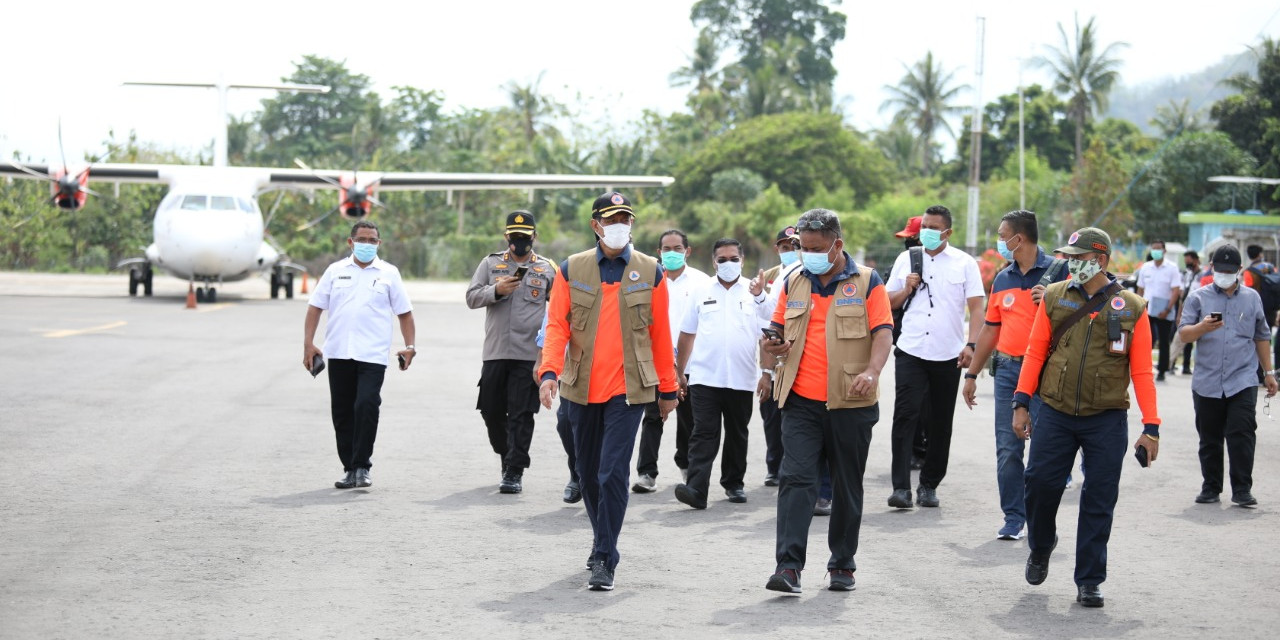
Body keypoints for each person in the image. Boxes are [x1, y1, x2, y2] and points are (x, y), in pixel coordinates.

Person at [538, 192, 679, 591]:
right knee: (587, 472)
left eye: (626, 218)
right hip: (580, 386)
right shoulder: (572, 269)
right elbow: (557, 326)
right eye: (612, 218)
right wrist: (549, 371)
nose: (620, 225)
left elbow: (659, 333)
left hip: (629, 389)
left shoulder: (651, 271)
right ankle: (603, 537)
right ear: (596, 225)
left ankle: (604, 556)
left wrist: (668, 389)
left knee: (611, 471)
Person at [1013, 227, 1160, 609]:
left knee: (1099, 499)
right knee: (1039, 484)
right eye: (1069, 257)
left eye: (1079, 258)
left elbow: (1143, 371)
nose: (1070, 263)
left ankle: (1090, 580)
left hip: (1106, 418)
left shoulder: (1132, 307)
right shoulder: (1056, 297)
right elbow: (1034, 353)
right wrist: (1021, 402)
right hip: (1057, 413)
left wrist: (1151, 427)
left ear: (1101, 261)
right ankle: (1041, 546)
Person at [761, 208, 893, 594]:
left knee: (847, 485)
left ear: (837, 244)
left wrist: (872, 371)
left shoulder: (868, 282)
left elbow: (883, 331)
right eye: (802, 247)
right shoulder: (794, 281)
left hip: (851, 401)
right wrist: (773, 343)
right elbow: (776, 325)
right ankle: (788, 567)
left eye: (815, 248)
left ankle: (842, 565)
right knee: (795, 481)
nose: (807, 254)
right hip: (800, 399)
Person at [962, 210, 1068, 540]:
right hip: (1008, 370)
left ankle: (1040, 519)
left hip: (1047, 371)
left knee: (1044, 452)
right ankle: (1013, 517)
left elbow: (1083, 316)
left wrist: (1055, 300)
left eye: (1001, 234)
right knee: (1008, 447)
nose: (999, 241)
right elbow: (991, 330)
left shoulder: (1061, 272)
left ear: (1017, 239)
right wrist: (972, 373)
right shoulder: (1004, 278)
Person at [303, 220, 416, 490]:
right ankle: (349, 468)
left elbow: (405, 313)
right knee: (342, 412)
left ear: (379, 243)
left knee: (366, 406)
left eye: (372, 240)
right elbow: (315, 307)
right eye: (362, 239)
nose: (367, 244)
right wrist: (308, 343)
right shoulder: (335, 271)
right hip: (339, 352)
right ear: (350, 242)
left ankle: (363, 466)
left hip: (372, 355)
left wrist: (410, 346)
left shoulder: (389, 273)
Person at [885, 205, 985, 509]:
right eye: (923, 226)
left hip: (948, 353)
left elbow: (977, 308)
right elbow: (886, 301)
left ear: (947, 232)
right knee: (905, 416)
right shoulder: (906, 259)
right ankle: (901, 487)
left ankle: (929, 485)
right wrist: (906, 288)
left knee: (941, 421)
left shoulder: (965, 263)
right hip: (911, 349)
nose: (925, 232)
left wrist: (972, 345)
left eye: (932, 227)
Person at [465, 211, 558, 494]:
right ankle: (507, 455)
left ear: (534, 236)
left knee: (521, 413)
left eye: (525, 236)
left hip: (529, 354)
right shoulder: (490, 263)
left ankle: (515, 470)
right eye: (515, 236)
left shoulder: (547, 269)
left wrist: (550, 355)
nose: (520, 241)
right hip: (495, 352)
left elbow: (556, 313)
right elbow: (471, 297)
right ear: (507, 237)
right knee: (491, 410)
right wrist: (496, 289)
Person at [673, 238, 769, 509]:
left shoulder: (755, 291)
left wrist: (767, 373)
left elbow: (769, 334)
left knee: (737, 432)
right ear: (714, 262)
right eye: (722, 259)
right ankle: (696, 489)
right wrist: (680, 372)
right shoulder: (701, 290)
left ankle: (734, 484)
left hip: (742, 377)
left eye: (733, 258)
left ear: (742, 259)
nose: (728, 264)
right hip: (705, 376)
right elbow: (687, 334)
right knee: (703, 432)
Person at [1179, 245, 1277, 507]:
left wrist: (1269, 373)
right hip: (1207, 381)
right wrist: (1202, 327)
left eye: (1229, 271)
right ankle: (1211, 486)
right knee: (1209, 437)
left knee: (1242, 433)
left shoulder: (1252, 298)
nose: (1224, 275)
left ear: (1239, 271)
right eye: (1220, 270)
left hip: (1242, 379)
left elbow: (1262, 336)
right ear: (1212, 268)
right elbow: (1184, 334)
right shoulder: (1197, 298)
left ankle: (1242, 488)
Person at [632, 230, 710, 493]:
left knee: (689, 420)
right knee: (653, 417)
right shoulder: (648, 279)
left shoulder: (701, 282)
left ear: (688, 251)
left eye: (677, 248)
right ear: (658, 252)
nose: (672, 253)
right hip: (656, 363)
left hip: (691, 364)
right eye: (666, 249)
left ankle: (686, 466)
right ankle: (647, 473)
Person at [757, 225, 801, 486]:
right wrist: (766, 369)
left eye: (795, 247)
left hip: (796, 355)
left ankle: (789, 467)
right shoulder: (771, 276)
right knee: (771, 414)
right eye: (785, 247)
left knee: (792, 415)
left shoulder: (805, 274)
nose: (791, 252)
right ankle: (774, 466)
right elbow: (764, 323)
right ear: (778, 249)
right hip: (772, 352)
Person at [892, 215, 929, 470]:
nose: (908, 244)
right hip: (908, 343)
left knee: (928, 404)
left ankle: (924, 449)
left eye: (911, 239)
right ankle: (914, 450)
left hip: (938, 350)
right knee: (909, 404)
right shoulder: (904, 261)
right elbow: (888, 298)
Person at [1136, 240, 1181, 382]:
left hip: (1164, 310)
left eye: (1158, 249)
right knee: (1145, 340)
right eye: (1153, 249)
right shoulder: (1146, 267)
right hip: (1147, 309)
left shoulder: (1172, 268)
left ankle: (1162, 370)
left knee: (1163, 341)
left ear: (1164, 251)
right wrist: (1138, 306)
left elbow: (1176, 291)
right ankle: (1142, 368)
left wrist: (1168, 309)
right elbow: (1140, 289)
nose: (1155, 251)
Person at [1170, 250, 1202, 375]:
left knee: (1188, 340)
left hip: (1197, 312)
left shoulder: (1201, 275)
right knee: (1180, 338)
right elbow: (1182, 297)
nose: (1187, 263)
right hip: (1186, 310)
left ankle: (1186, 366)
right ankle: (1171, 364)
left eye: (1189, 261)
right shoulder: (1187, 275)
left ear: (1195, 260)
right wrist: (1179, 314)